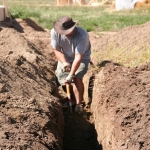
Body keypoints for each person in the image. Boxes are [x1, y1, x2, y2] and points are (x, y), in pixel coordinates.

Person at [50, 16, 91, 112]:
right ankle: (72, 99)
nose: (65, 34)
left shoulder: (82, 35)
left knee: (76, 78)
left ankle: (79, 104)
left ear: (73, 28)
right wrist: (64, 63)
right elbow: (57, 50)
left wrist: (71, 74)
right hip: (65, 57)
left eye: (68, 32)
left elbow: (78, 57)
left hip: (81, 58)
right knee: (62, 78)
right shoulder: (54, 32)